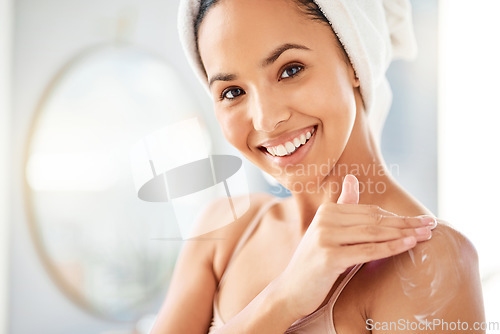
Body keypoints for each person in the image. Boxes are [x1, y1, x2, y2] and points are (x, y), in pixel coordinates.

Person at [151, 0, 485, 333]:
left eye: (290, 69)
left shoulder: (428, 261)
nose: (266, 119)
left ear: (354, 60)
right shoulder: (223, 231)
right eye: (233, 92)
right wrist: (285, 298)